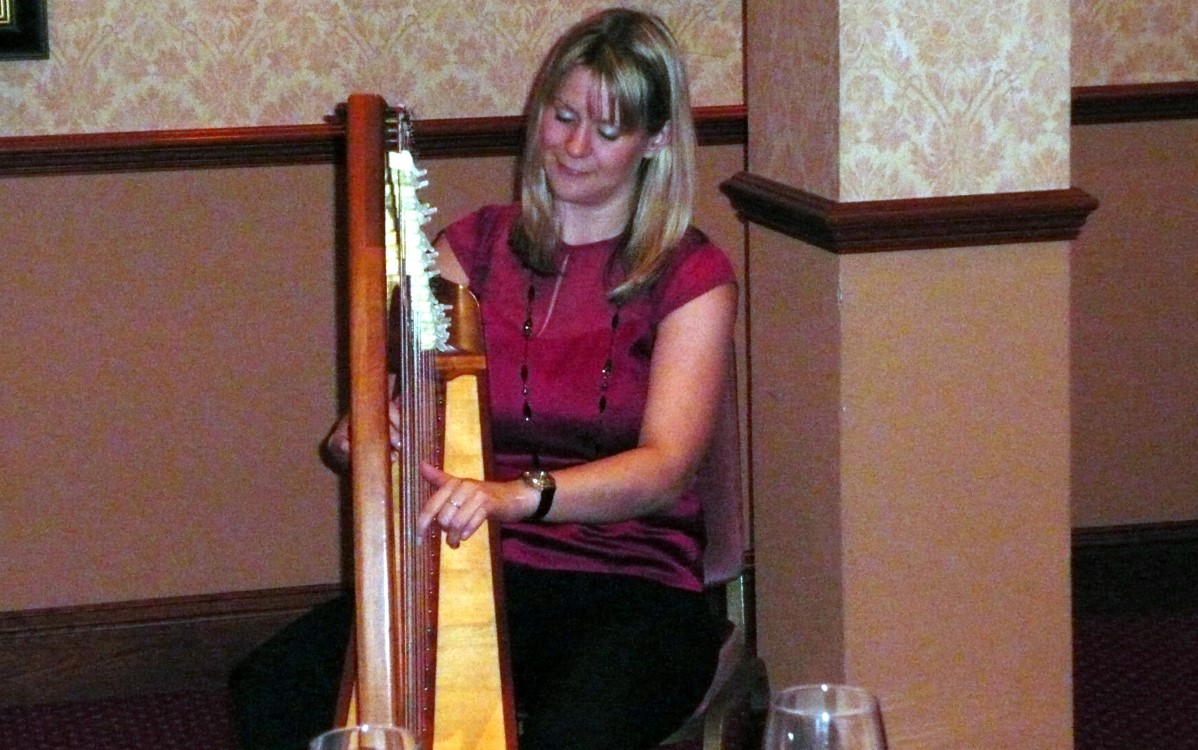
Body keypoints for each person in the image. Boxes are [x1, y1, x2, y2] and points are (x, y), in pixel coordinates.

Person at [231, 8, 737, 750]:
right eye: (562, 116)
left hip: (636, 584)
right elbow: (405, 405)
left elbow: (665, 470)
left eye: (606, 129)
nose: (571, 146)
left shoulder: (691, 273)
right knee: (277, 687)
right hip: (481, 569)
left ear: (655, 140)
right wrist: (368, 434)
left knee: (576, 734)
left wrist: (513, 496)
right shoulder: (472, 250)